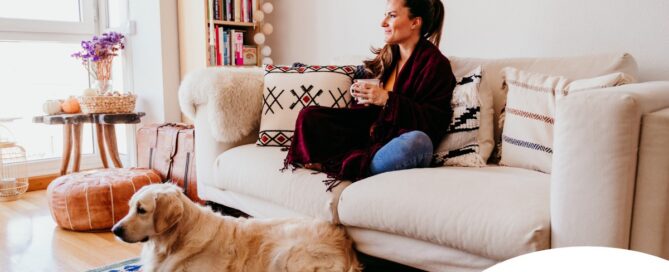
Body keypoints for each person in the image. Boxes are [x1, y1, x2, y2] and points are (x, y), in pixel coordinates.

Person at [283, 0, 456, 191]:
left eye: (392, 16)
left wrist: (387, 100)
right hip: (372, 134)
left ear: (415, 22)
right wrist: (365, 97)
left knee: (418, 142)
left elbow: (433, 121)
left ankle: (352, 167)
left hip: (401, 141)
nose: (383, 23)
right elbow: (369, 113)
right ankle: (350, 163)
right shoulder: (388, 55)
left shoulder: (436, 65)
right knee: (310, 115)